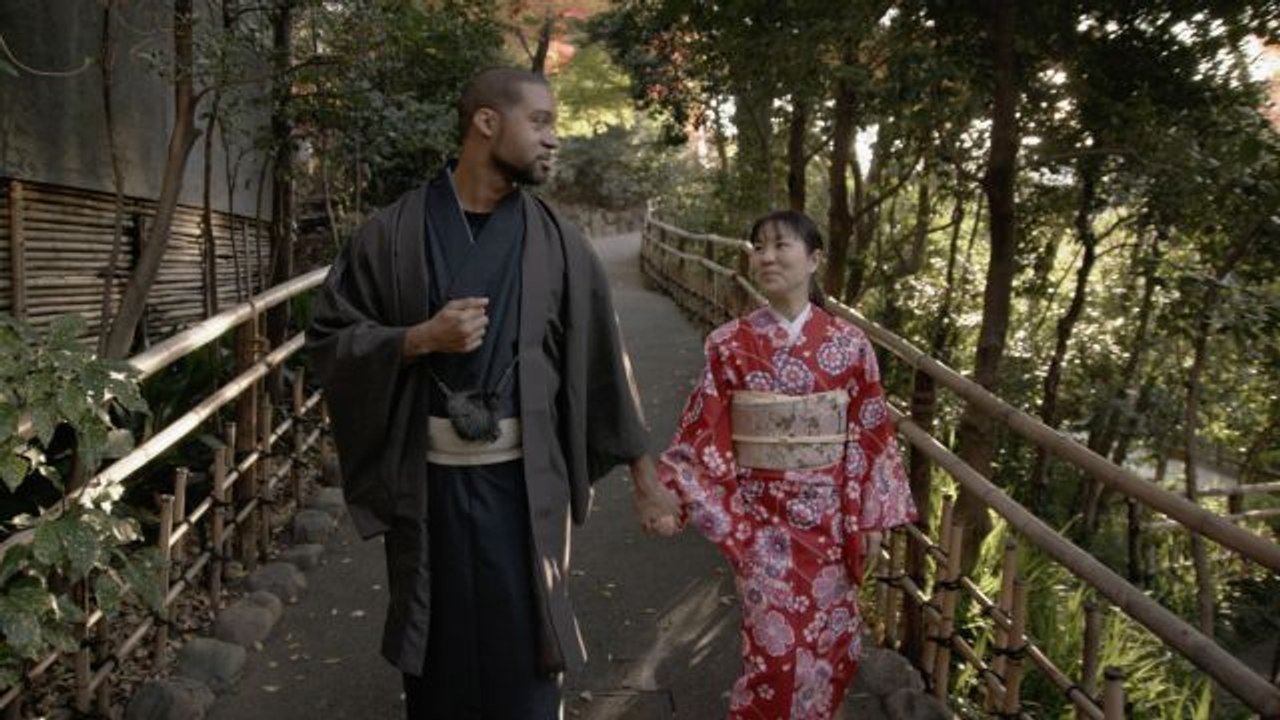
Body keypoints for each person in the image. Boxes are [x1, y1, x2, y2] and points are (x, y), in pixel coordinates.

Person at [306, 67, 676, 719]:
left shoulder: (560, 243)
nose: (553, 139)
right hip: (430, 490)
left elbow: (603, 366)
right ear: (485, 123)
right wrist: (417, 339)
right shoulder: (389, 236)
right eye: (540, 122)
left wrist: (646, 475)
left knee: (527, 655)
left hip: (525, 490)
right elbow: (330, 340)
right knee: (438, 653)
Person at [650, 210, 917, 719]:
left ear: (815, 259)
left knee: (836, 649)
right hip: (764, 526)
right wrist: (674, 496)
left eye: (780, 246)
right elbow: (702, 430)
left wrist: (873, 514)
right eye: (758, 247)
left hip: (831, 525)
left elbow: (870, 433)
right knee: (773, 653)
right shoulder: (729, 344)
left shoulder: (850, 345)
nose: (766, 256)